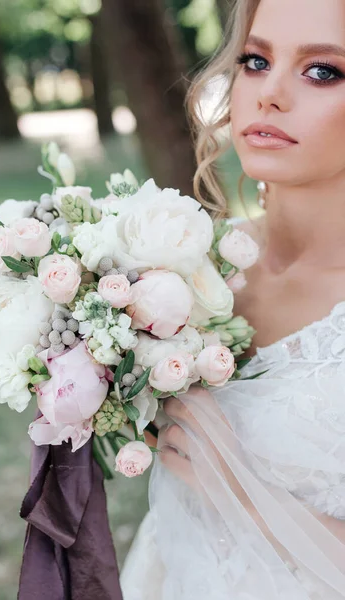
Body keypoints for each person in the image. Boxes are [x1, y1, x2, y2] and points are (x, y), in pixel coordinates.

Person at [120, 0, 345, 597]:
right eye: (255, 59)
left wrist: (242, 488)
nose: (268, 94)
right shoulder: (191, 261)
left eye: (323, 70)